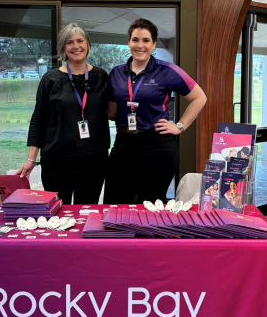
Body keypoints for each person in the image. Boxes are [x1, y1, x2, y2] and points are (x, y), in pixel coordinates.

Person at [104, 18, 207, 204]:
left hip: (156, 144)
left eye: (146, 40)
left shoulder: (167, 70)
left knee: (150, 205)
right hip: (122, 144)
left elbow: (199, 97)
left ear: (153, 44)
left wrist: (180, 126)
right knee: (114, 203)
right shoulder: (116, 72)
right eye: (135, 40)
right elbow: (111, 112)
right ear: (128, 42)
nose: (140, 45)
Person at [16, 24, 110, 205]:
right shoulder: (50, 79)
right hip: (57, 160)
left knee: (86, 212)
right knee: (58, 213)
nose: (76, 46)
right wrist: (31, 159)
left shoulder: (101, 76)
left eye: (80, 41)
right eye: (69, 42)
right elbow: (38, 119)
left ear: (87, 45)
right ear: (63, 48)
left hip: (94, 159)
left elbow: (112, 109)